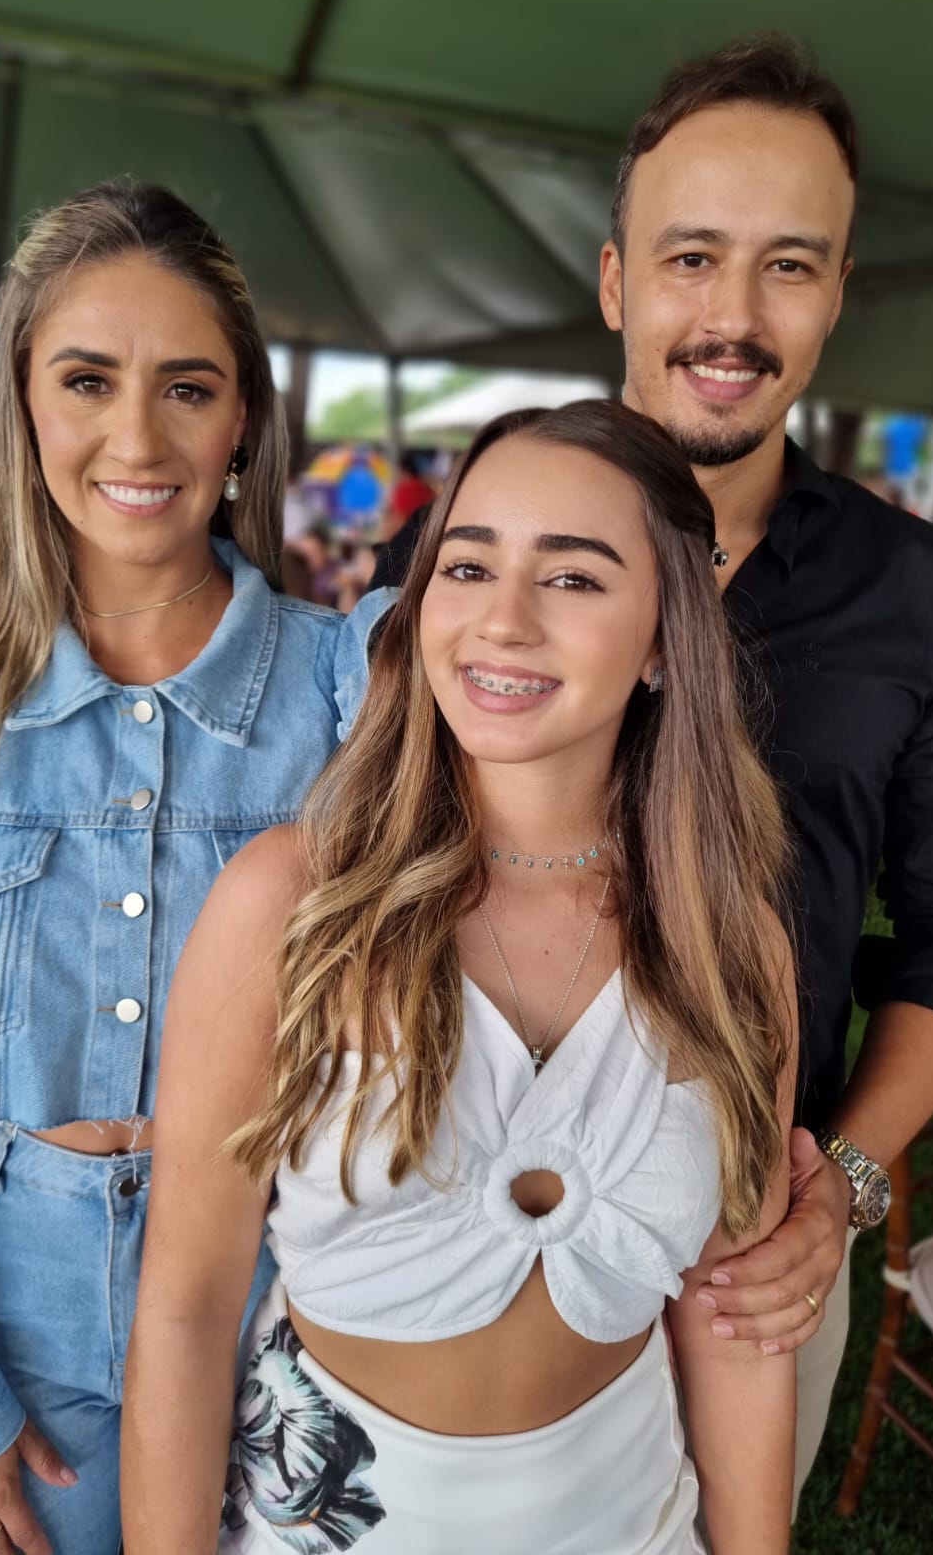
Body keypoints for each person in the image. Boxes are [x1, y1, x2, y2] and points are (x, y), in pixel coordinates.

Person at [372, 35, 933, 1503]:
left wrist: (842, 1189)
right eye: (691, 258)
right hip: (452, 1217)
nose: (733, 316)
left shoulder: (922, 594)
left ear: (839, 292)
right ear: (617, 281)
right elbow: (361, 853)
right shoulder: (454, 554)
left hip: (751, 1249)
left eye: (789, 265)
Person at [123, 399, 800, 1555]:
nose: (503, 621)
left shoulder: (733, 943)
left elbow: (738, 1322)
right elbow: (186, 1309)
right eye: (469, 566)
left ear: (664, 641)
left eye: (573, 578)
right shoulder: (292, 903)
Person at [0, 179, 385, 1555]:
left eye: (188, 388)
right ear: (20, 403)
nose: (137, 437)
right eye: (86, 381)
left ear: (243, 418)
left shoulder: (351, 693)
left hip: (291, 1305)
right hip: (6, 1328)